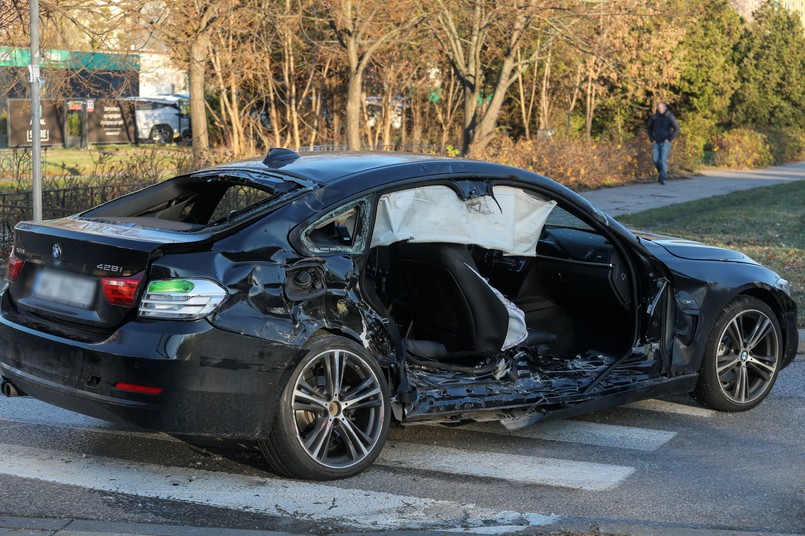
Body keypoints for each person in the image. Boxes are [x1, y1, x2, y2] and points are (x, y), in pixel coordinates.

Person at [646, 101, 680, 185]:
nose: (660, 109)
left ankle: (662, 178)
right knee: (655, 160)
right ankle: (661, 172)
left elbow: (677, 129)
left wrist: (669, 139)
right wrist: (652, 138)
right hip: (656, 142)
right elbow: (649, 128)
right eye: (659, 108)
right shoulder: (654, 117)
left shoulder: (669, 116)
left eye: (662, 108)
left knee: (663, 160)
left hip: (665, 142)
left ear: (665, 108)